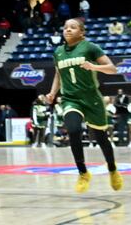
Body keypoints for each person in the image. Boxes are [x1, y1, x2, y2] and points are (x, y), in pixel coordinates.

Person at [46, 18, 122, 193]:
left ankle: (112, 169)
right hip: (70, 99)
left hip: (91, 99)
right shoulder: (58, 52)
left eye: (73, 27)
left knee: (101, 137)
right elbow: (58, 75)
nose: (68, 30)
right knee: (73, 130)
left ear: (82, 32)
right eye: (65, 27)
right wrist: (52, 93)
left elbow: (113, 68)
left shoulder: (90, 47)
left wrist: (93, 67)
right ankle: (83, 172)